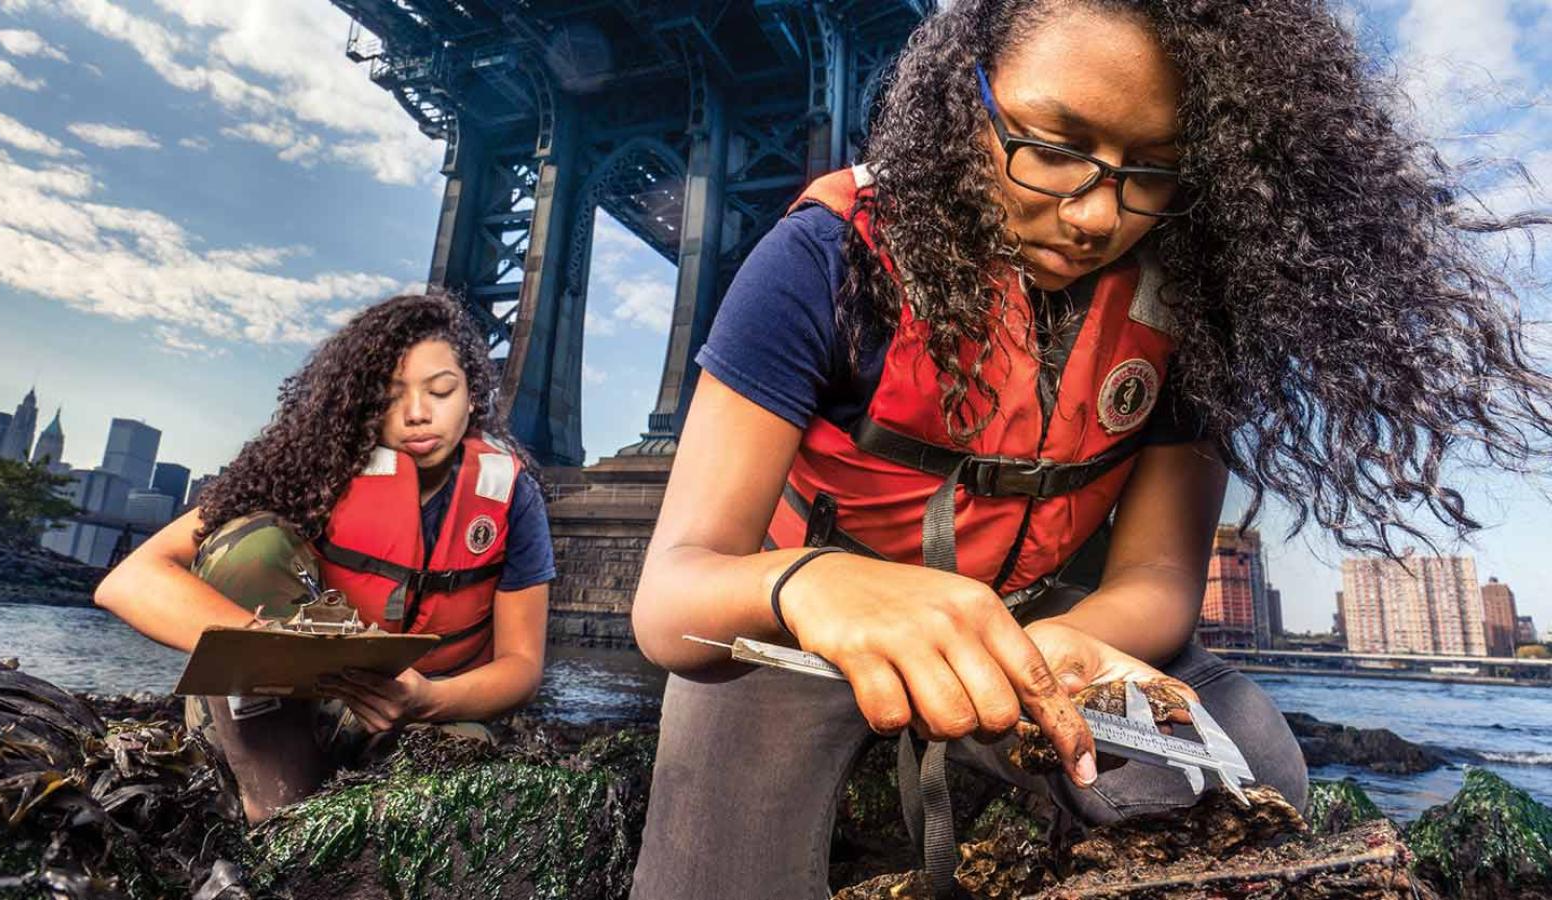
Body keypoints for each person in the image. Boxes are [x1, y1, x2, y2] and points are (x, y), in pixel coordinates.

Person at [626, 0, 1552, 897]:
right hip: (802, 632)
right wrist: (813, 583)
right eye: (1056, 149)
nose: (1098, 215)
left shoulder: (1193, 309)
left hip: (1042, 625)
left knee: (1253, 764)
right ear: (966, 100)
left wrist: (1068, 645)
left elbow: (1158, 578)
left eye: (1151, 170)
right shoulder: (826, 256)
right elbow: (673, 598)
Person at [96, 294, 556, 823]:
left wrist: (428, 700)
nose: (417, 413)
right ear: (363, 404)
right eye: (389, 396)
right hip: (268, 707)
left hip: (416, 713)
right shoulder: (313, 467)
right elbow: (129, 580)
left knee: (460, 761)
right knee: (250, 537)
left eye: (441, 390)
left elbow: (522, 667)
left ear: (472, 396)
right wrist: (269, 648)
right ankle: (271, 807)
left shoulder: (510, 495)